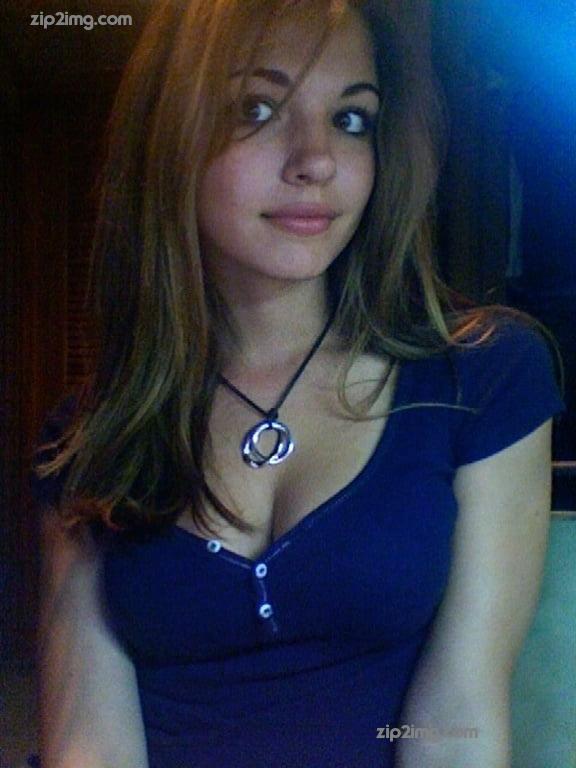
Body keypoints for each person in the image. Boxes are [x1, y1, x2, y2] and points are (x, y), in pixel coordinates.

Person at [29, 1, 565, 766]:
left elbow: (457, 717)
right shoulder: (90, 436)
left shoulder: (484, 376)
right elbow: (89, 742)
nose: (317, 159)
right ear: (170, 138)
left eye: (351, 119)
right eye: (258, 108)